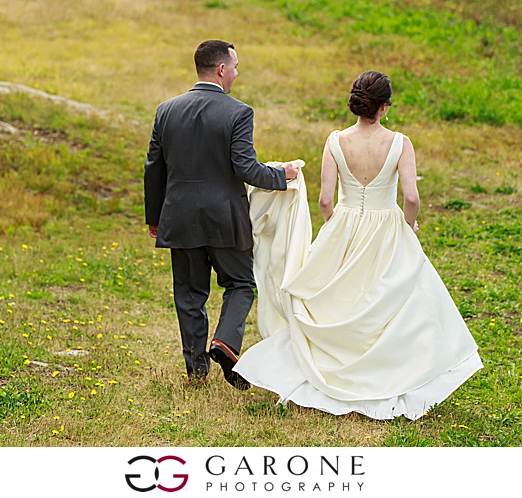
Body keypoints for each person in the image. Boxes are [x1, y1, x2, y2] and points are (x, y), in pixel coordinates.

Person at [234, 70, 483, 419]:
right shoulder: (399, 143)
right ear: (383, 108)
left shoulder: (336, 141)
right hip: (386, 225)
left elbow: (324, 200)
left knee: (341, 299)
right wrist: (408, 224)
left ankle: (335, 365)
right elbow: (411, 195)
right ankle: (391, 372)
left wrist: (338, 229)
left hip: (345, 222)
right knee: (396, 300)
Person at [144, 39, 298, 388]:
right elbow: (245, 168)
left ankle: (196, 370)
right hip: (226, 217)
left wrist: (155, 218)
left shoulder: (165, 110)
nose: (237, 73)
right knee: (241, 283)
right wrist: (282, 175)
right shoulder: (238, 112)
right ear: (221, 69)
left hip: (180, 218)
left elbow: (154, 169)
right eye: (236, 66)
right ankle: (225, 342)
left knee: (188, 293)